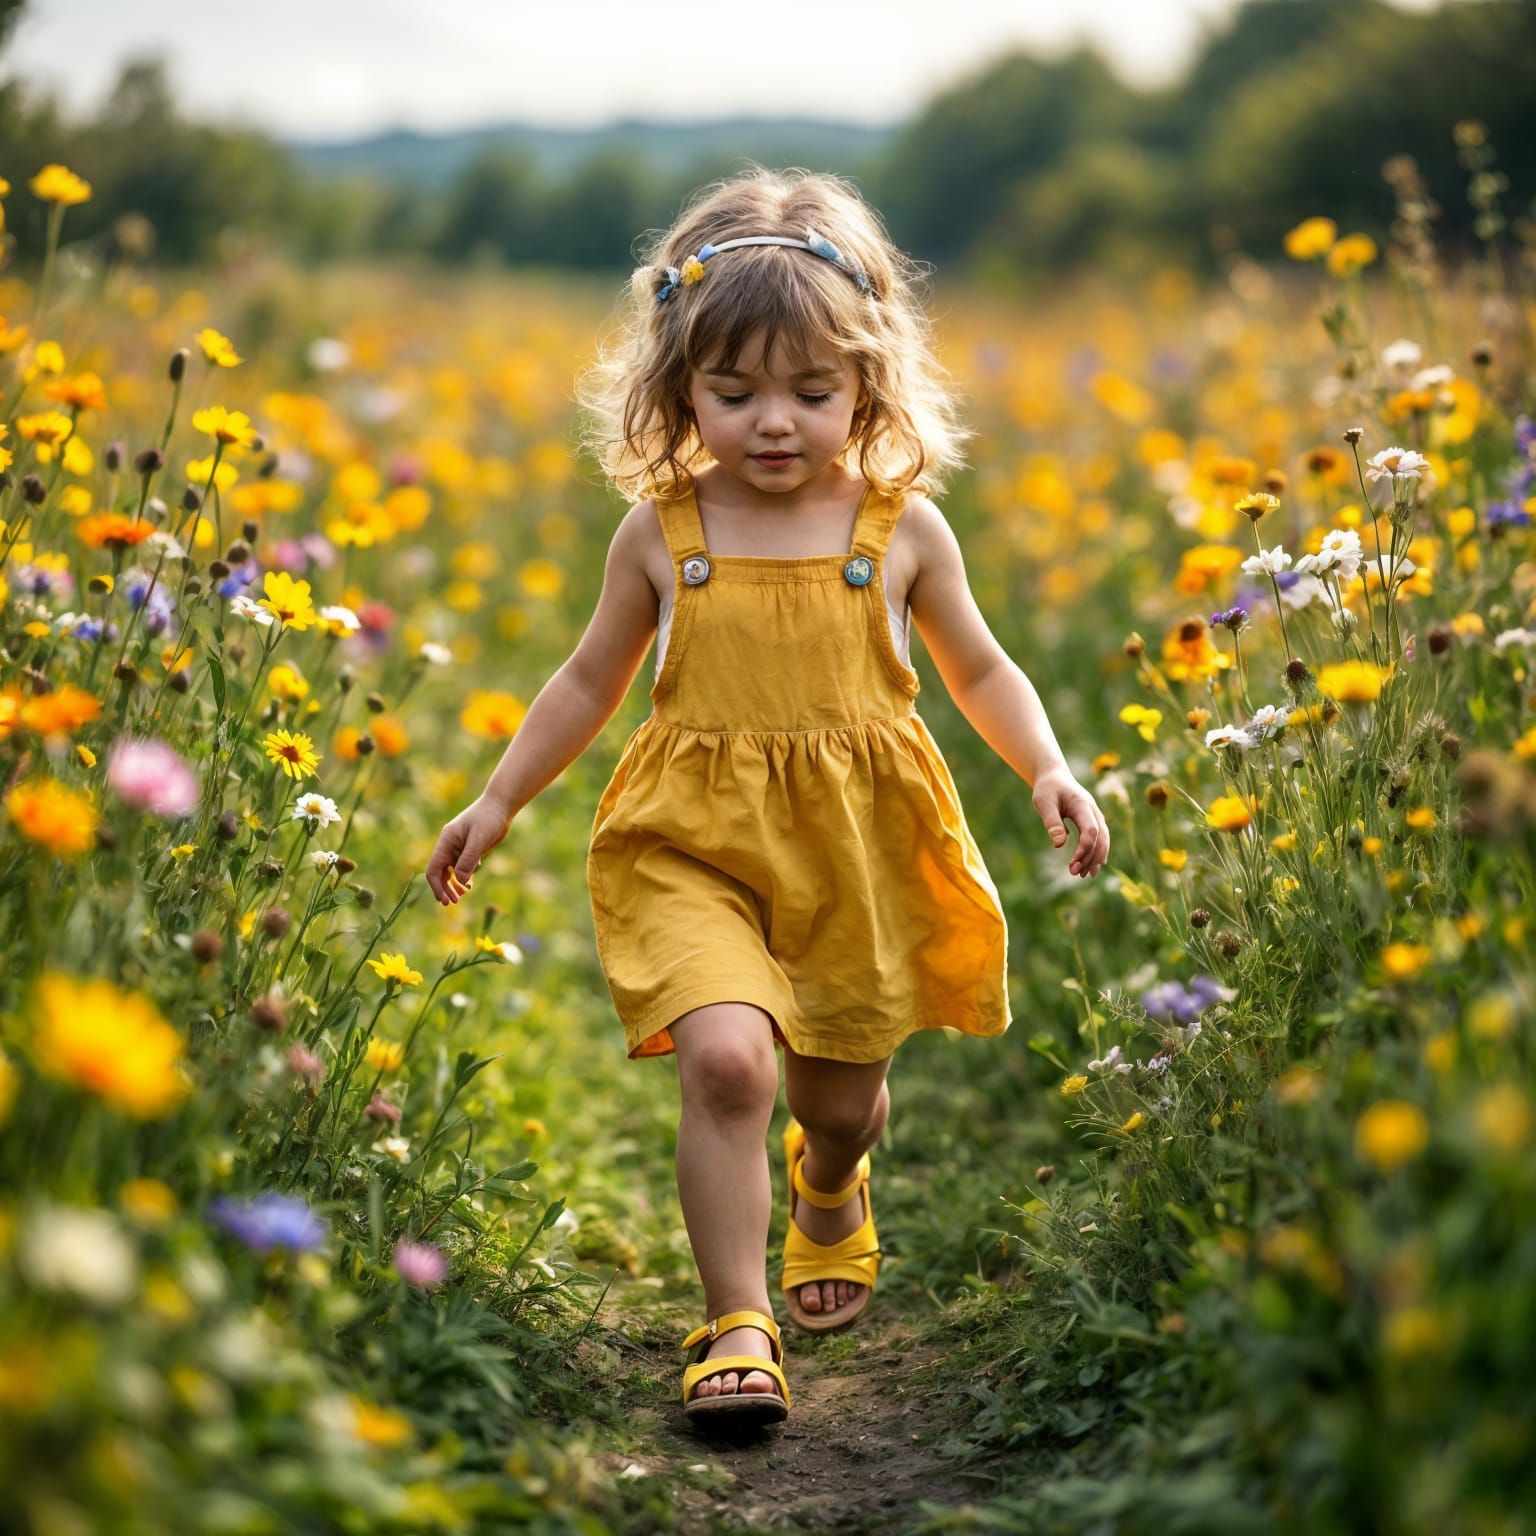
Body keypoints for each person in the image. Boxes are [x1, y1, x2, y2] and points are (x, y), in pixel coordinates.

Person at [425, 166, 1109, 1428]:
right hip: (690, 844)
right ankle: (736, 1318)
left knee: (839, 1102)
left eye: (811, 391)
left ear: (868, 383)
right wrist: (499, 799)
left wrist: (1050, 766)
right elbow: (587, 681)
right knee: (732, 1065)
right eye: (734, 394)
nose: (775, 423)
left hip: (856, 848)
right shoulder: (660, 531)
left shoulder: (901, 530)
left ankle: (831, 1185)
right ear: (681, 390)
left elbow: (982, 668)